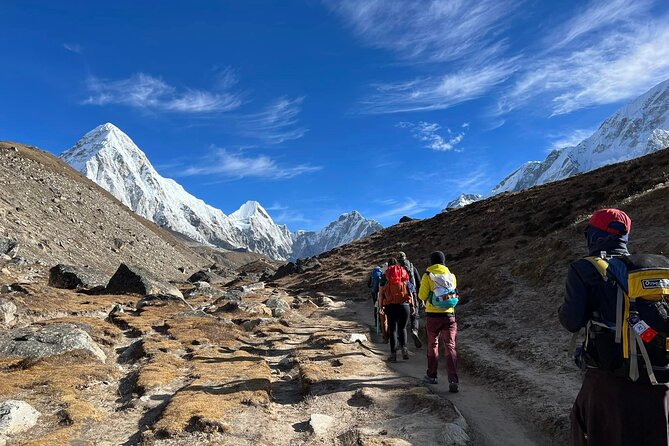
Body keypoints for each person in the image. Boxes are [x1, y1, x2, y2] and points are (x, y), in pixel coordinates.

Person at [559, 208, 669, 446]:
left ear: (594, 235)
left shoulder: (584, 268)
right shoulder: (657, 267)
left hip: (609, 380)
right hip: (659, 377)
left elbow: (571, 321)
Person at [418, 251, 459, 392]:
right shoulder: (451, 276)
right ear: (443, 261)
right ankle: (453, 380)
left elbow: (422, 295)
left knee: (432, 345)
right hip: (449, 316)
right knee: (450, 347)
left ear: (431, 262)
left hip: (433, 316)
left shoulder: (428, 275)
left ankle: (432, 375)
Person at [379, 258, 413, 362]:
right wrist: (412, 305)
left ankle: (393, 355)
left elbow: (381, 295)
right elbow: (411, 290)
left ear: (388, 266)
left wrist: (380, 307)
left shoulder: (385, 277)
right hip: (404, 305)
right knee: (402, 328)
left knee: (393, 329)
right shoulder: (403, 274)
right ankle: (404, 350)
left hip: (391, 306)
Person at [397, 251, 423, 348]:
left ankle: (401, 341)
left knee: (401, 319)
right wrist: (421, 298)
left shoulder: (397, 269)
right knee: (415, 315)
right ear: (405, 257)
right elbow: (419, 282)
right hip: (413, 294)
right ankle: (414, 330)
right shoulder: (412, 267)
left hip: (401, 296)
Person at [367, 264, 384, 334]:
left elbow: (368, 285)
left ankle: (376, 323)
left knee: (375, 307)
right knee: (381, 307)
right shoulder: (382, 273)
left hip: (374, 293)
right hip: (380, 293)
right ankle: (381, 325)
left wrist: (372, 287)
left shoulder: (373, 274)